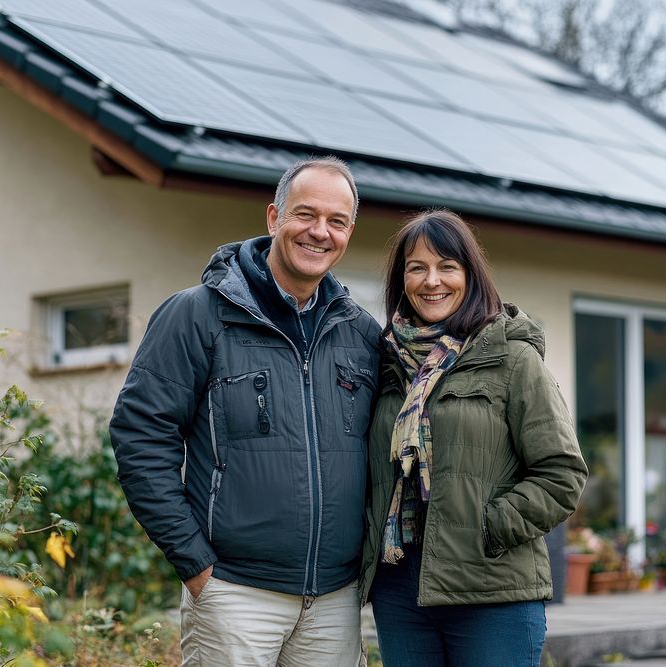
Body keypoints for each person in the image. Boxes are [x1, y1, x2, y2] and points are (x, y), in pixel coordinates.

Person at [109, 157, 381, 666]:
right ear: (273, 217)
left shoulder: (360, 332)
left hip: (336, 600)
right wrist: (196, 567)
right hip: (234, 594)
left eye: (336, 221)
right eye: (305, 215)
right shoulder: (196, 314)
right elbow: (141, 437)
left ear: (348, 232)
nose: (319, 232)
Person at [359, 210, 587, 666]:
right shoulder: (386, 365)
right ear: (401, 279)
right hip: (402, 590)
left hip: (492, 590)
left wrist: (488, 528)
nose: (432, 280)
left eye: (447, 266)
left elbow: (562, 473)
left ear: (471, 274)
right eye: (417, 267)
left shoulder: (513, 359)